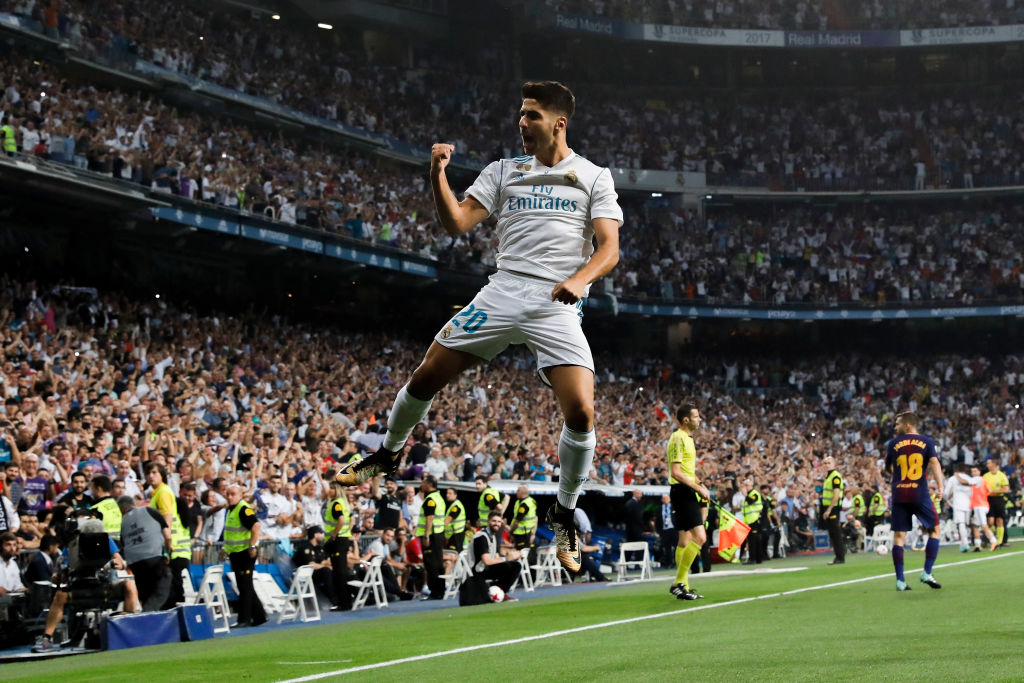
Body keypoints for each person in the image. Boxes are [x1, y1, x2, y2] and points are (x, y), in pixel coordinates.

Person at [334, 80, 623, 577]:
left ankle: (564, 510)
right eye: (520, 114)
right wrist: (436, 175)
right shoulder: (503, 171)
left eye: (531, 115)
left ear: (558, 122)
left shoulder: (594, 177)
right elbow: (457, 223)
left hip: (557, 301)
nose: (521, 122)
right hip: (503, 290)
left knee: (581, 410)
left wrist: (579, 280)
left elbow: (609, 249)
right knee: (426, 375)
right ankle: (386, 453)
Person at [884, 412, 944, 591]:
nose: (895, 427)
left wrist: (898, 478)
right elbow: (934, 462)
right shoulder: (927, 441)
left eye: (898, 424)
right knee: (934, 530)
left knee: (899, 536)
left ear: (907, 425)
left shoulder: (893, 444)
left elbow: (888, 467)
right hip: (919, 493)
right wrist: (940, 487)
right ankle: (926, 572)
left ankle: (900, 581)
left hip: (899, 494)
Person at [667, 403, 709, 600]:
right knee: (700, 538)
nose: (699, 419)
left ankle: (683, 586)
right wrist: (697, 488)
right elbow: (676, 472)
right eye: (697, 416)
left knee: (685, 540)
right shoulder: (678, 438)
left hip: (687, 490)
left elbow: (687, 471)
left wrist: (701, 484)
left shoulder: (688, 439)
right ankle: (678, 582)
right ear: (686, 419)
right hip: (682, 492)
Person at [146, 463, 190, 607]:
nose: (151, 476)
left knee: (170, 587)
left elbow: (167, 520)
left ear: (162, 475)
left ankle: (175, 621)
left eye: (154, 472)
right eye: (149, 473)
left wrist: (167, 546)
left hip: (172, 547)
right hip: (173, 546)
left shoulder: (163, 492)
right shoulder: (158, 492)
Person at [223, 484, 267, 626]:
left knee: (244, 587)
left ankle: (244, 619)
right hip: (236, 553)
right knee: (245, 585)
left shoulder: (243, 509)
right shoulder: (232, 510)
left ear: (241, 495)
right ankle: (260, 616)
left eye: (233, 494)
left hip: (245, 552)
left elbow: (256, 526)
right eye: (228, 494)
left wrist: (252, 546)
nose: (230, 497)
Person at [118, 496, 172, 611]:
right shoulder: (148, 510)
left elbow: (123, 543)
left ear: (122, 509)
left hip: (135, 563)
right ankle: (148, 613)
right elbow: (167, 536)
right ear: (134, 504)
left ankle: (149, 622)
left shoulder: (123, 522)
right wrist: (167, 554)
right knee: (163, 583)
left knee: (145, 593)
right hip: (154, 557)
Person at [467, 511, 520, 600]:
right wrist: (506, 558)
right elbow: (487, 561)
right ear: (488, 521)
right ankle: (494, 591)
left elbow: (495, 557)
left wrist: (510, 558)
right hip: (477, 571)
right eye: (494, 521)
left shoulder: (493, 536)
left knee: (515, 566)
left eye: (499, 522)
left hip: (486, 569)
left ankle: (501, 593)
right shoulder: (481, 537)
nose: (497, 524)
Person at [322, 480, 354, 611]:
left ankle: (343, 603)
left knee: (339, 573)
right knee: (341, 572)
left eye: (332, 488)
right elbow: (351, 519)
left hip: (338, 541)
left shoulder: (336, 504)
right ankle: (346, 601)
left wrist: (334, 534)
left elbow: (341, 520)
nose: (329, 491)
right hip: (343, 539)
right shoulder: (343, 503)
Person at [416, 475, 446, 600]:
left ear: (429, 484)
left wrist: (426, 535)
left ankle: (435, 592)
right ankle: (440, 590)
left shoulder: (430, 500)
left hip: (432, 535)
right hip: (439, 534)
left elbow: (430, 518)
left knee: (431, 564)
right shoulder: (439, 497)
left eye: (423, 483)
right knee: (438, 563)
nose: (421, 485)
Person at [293, 525, 337, 607]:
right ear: (315, 535)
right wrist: (324, 565)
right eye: (321, 533)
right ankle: (334, 601)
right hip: (306, 575)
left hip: (317, 572)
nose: (322, 536)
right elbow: (311, 564)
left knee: (338, 570)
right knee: (326, 571)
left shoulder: (319, 548)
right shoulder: (305, 547)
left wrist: (328, 564)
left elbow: (327, 561)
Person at [820, 455, 846, 565]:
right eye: (825, 463)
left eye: (829, 463)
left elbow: (836, 495)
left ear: (834, 465)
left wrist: (829, 510)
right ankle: (839, 555)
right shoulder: (828, 477)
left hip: (833, 508)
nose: (826, 465)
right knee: (833, 533)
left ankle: (840, 557)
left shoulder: (835, 476)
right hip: (828, 507)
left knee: (836, 533)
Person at [967, 465, 999, 551]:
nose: (973, 473)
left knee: (984, 525)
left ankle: (994, 541)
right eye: (972, 471)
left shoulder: (977, 479)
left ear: (979, 472)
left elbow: (967, 482)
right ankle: (977, 545)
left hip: (980, 506)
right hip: (981, 505)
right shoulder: (984, 481)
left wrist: (958, 476)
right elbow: (990, 491)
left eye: (975, 471)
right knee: (975, 525)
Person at [945, 463, 975, 552]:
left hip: (958, 504)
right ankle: (967, 543)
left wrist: (947, 500)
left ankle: (965, 543)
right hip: (969, 504)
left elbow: (946, 493)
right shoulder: (969, 478)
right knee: (965, 524)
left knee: (961, 523)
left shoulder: (953, 479)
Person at [983, 457, 1010, 547]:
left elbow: (1006, 489)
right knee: (990, 521)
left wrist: (993, 491)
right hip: (988, 500)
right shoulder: (985, 476)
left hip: (999, 499)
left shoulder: (1001, 475)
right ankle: (992, 539)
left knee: (999, 520)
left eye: (988, 463)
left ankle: (999, 542)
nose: (987, 465)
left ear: (994, 464)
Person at [508, 484, 537, 559]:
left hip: (522, 534)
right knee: (528, 553)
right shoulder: (531, 501)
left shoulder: (524, 505)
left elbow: (517, 522)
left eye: (518, 490)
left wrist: (510, 531)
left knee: (522, 556)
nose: (516, 492)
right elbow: (536, 518)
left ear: (522, 492)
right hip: (528, 533)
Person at [89, 475, 122, 542]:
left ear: (99, 489)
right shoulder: (115, 504)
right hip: (118, 544)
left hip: (104, 545)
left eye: (92, 489)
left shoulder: (96, 509)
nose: (92, 493)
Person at [741, 478, 765, 564]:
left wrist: (745, 495)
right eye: (744, 485)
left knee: (753, 541)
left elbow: (751, 501)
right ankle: (758, 559)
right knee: (753, 540)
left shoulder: (754, 494)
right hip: (750, 521)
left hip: (754, 520)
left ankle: (753, 559)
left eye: (746, 485)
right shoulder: (749, 494)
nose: (745, 487)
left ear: (751, 486)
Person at [443, 488, 467, 552]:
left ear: (455, 495)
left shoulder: (456, 506)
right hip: (452, 535)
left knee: (453, 554)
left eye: (450, 493)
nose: (447, 495)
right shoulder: (452, 505)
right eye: (447, 493)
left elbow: (447, 521)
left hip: (456, 535)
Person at [655, 494, 675, 568]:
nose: (665, 500)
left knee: (677, 546)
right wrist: (659, 531)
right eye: (664, 498)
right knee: (667, 548)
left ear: (669, 499)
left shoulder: (674, 507)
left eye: (667, 498)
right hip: (664, 530)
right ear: (662, 500)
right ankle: (669, 563)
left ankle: (677, 562)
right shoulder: (659, 509)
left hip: (673, 529)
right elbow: (657, 521)